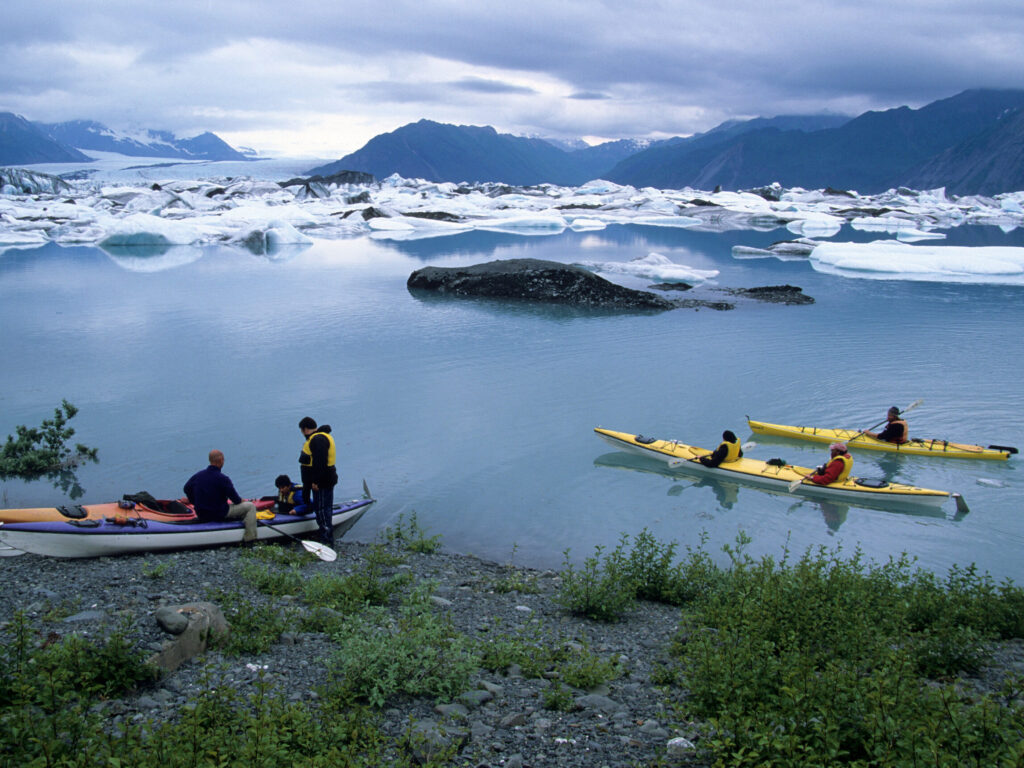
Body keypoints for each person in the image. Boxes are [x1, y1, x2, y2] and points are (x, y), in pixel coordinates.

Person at [183, 449, 257, 542]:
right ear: (221, 460)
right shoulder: (223, 479)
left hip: (201, 513)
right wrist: (243, 501)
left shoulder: (198, 475)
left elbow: (186, 488)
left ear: (210, 460)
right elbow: (236, 500)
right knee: (250, 507)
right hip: (219, 513)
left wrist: (194, 501)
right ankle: (250, 538)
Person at [298, 416, 339, 546]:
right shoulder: (319, 437)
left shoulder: (318, 439)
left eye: (301, 431)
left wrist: (316, 482)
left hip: (322, 482)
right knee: (324, 508)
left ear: (305, 429)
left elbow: (320, 462)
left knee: (321, 510)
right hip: (324, 479)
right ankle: (325, 535)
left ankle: (326, 540)